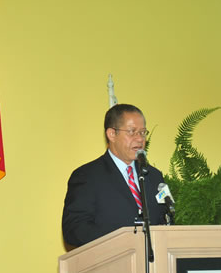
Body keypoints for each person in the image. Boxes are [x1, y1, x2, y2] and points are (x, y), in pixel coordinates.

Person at [62, 103, 168, 248]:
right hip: (111, 263)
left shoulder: (154, 176)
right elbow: (74, 230)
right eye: (132, 131)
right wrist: (124, 241)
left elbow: (166, 221)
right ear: (112, 134)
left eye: (143, 132)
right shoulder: (87, 176)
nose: (139, 139)